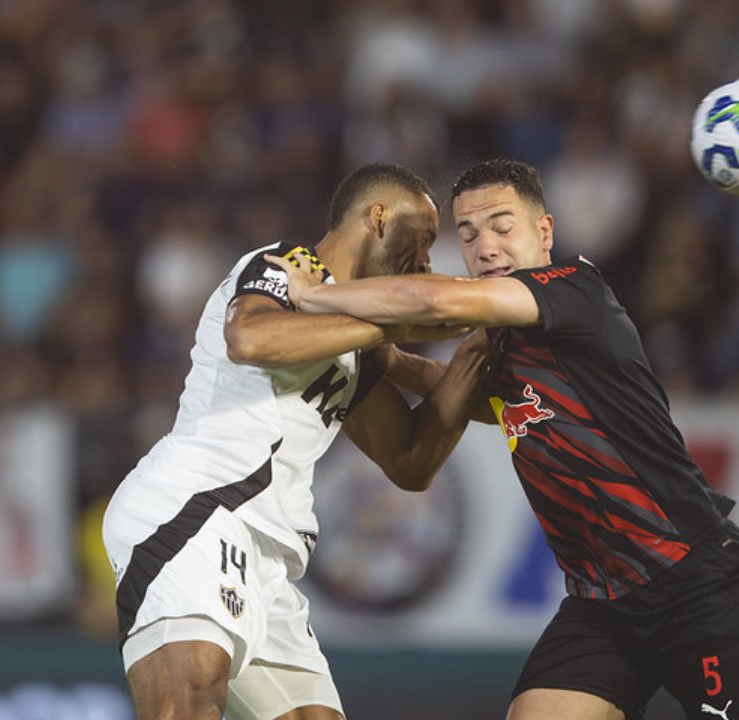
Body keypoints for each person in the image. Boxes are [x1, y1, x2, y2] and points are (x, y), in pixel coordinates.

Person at [268, 159, 739, 720]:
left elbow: (441, 302)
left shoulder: (574, 292)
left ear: (544, 233)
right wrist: (389, 360)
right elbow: (462, 392)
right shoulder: (502, 344)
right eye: (467, 234)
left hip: (696, 581)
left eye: (501, 226)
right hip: (602, 603)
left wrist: (317, 297)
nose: (485, 246)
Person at [102, 162, 487, 720]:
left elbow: (410, 461)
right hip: (197, 511)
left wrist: (476, 356)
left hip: (269, 558)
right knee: (188, 705)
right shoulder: (289, 265)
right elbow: (249, 337)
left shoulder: (352, 335)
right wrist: (397, 325)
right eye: (422, 240)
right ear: (378, 217)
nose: (425, 262)